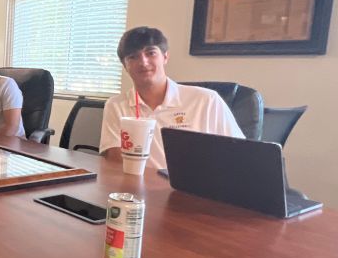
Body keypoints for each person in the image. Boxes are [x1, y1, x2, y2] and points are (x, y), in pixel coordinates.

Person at [100, 26, 243, 169]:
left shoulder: (206, 100)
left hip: (193, 187)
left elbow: (238, 154)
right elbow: (116, 163)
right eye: (133, 57)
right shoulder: (116, 106)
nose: (143, 62)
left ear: (165, 57)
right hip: (139, 188)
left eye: (150, 53)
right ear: (125, 66)